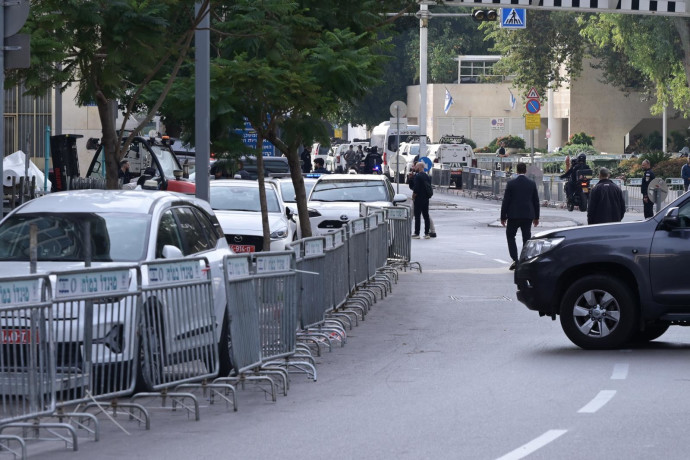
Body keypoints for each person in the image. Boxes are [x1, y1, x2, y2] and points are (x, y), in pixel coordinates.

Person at [500, 162, 540, 270]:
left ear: (516, 171)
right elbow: (536, 201)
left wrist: (503, 216)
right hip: (528, 215)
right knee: (526, 238)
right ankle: (524, 259)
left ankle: (515, 259)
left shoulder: (511, 183)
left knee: (510, 236)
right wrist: (537, 217)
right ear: (525, 171)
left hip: (513, 215)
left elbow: (506, 201)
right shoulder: (531, 183)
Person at [408, 162, 432, 239]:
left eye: (416, 167)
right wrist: (411, 178)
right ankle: (427, 233)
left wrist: (413, 196)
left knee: (417, 216)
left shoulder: (418, 176)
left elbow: (415, 189)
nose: (415, 168)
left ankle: (417, 233)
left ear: (420, 167)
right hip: (426, 199)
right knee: (426, 216)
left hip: (418, 199)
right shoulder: (427, 176)